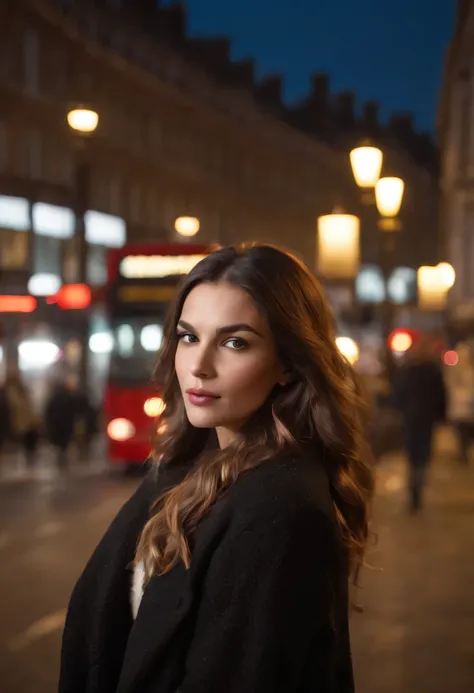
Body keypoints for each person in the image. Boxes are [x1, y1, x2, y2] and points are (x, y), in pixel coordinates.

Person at [59, 243, 374, 693]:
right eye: (188, 337)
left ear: (288, 363)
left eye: (234, 342)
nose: (199, 367)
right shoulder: (178, 472)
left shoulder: (279, 511)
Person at [392, 336, 447, 512]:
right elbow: (441, 396)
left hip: (411, 417)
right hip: (427, 418)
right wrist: (441, 416)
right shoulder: (434, 371)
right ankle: (417, 488)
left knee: (412, 454)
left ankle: (413, 490)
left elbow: (398, 393)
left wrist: (400, 409)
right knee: (423, 454)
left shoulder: (408, 370)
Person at [1, 372, 39, 467]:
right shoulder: (9, 394)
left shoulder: (22, 392)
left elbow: (28, 408)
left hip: (26, 424)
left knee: (28, 449)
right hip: (16, 425)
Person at [445, 342, 474, 464]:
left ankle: (464, 453)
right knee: (462, 434)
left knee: (465, 434)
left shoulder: (469, 372)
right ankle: (463, 454)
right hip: (460, 411)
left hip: (466, 411)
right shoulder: (454, 372)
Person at [44, 373, 80, 470]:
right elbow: (73, 411)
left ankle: (61, 457)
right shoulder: (68, 397)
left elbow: (49, 412)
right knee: (64, 443)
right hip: (65, 425)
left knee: (61, 443)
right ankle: (62, 457)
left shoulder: (54, 398)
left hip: (58, 425)